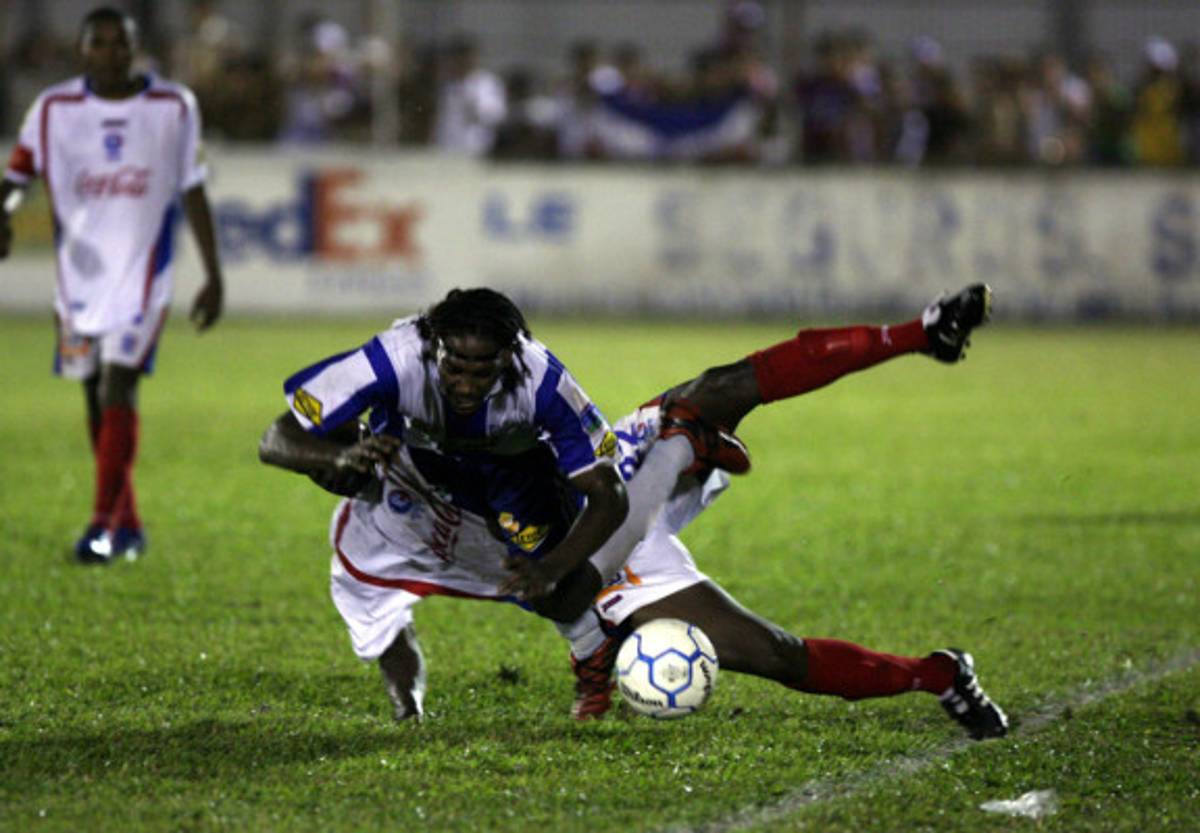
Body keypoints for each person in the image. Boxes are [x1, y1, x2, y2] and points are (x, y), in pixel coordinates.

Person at [261, 283, 1007, 740]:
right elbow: (280, 438)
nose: (464, 382)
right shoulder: (392, 385)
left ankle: (919, 333)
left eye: (482, 368)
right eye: (455, 365)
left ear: (511, 358)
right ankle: (937, 672)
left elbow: (608, 500)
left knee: (714, 396)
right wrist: (332, 459)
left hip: (594, 525)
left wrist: (563, 565)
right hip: (529, 547)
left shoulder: (542, 385)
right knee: (758, 648)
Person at [0, 7, 224, 564]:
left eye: (120, 42)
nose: (110, 52)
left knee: (118, 386)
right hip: (78, 284)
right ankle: (129, 524)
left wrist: (213, 274)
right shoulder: (54, 109)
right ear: (82, 50)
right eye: (98, 43)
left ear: (135, 48)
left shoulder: (172, 106)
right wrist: (3, 211)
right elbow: (17, 175)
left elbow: (193, 187)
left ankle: (100, 526)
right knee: (94, 398)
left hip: (145, 278)